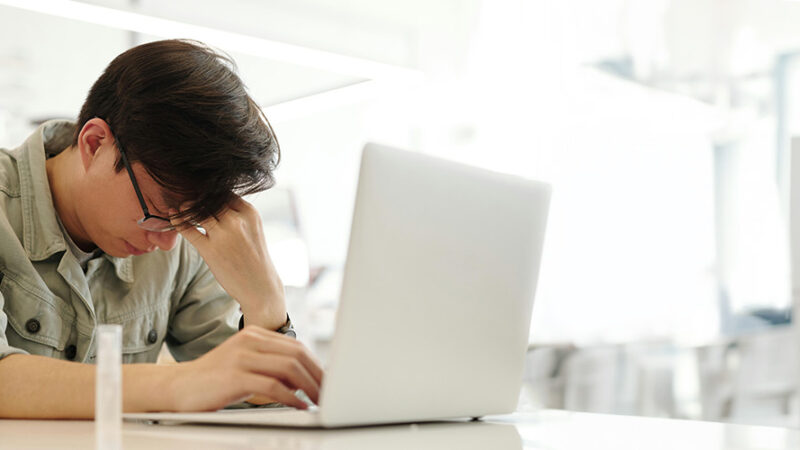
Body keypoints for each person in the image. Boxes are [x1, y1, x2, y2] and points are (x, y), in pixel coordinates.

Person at [0, 39, 323, 418]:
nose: (168, 241)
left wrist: (266, 307)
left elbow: (257, 398)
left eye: (186, 218)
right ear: (95, 143)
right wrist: (183, 384)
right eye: (158, 208)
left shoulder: (179, 235)